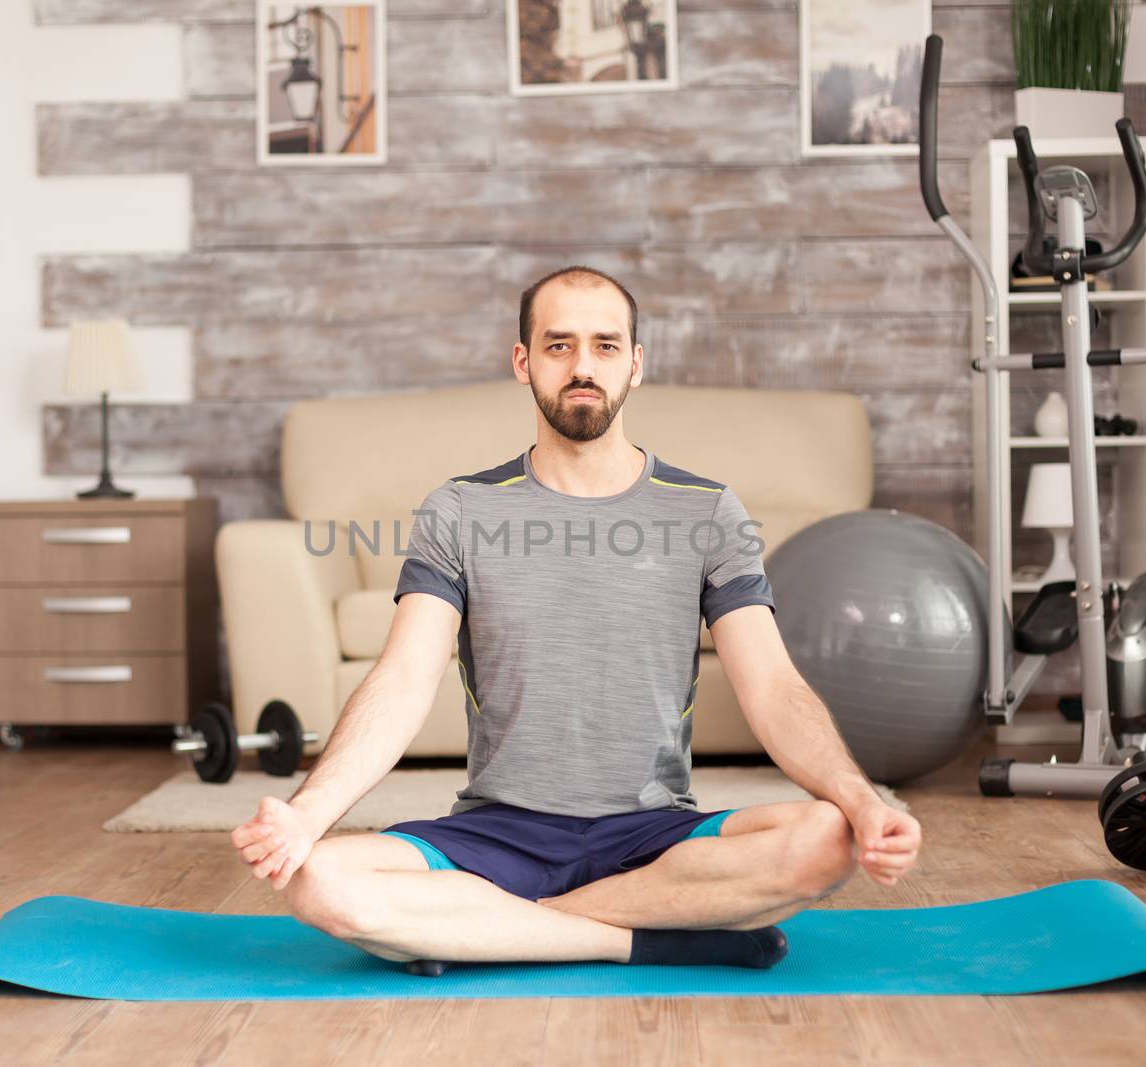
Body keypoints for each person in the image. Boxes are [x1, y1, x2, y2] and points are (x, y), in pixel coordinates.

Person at [231, 265, 922, 974]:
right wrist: (308, 814)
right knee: (320, 880)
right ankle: (642, 936)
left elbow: (773, 687)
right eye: (559, 346)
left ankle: (479, 932)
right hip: (497, 835)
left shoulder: (708, 511)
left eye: (605, 345)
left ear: (637, 364)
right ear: (523, 362)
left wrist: (863, 803)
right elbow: (403, 678)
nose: (583, 366)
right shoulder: (461, 509)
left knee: (827, 840)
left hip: (655, 835)